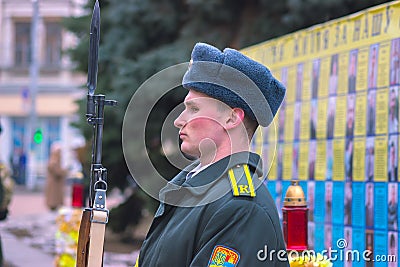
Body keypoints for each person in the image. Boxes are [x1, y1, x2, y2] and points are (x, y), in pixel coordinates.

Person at [136, 43, 288, 266]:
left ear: (231, 118)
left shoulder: (239, 207)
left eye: (194, 109)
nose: (179, 120)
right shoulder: (191, 187)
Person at [45, 142, 68, 211]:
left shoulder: (55, 159)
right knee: (54, 201)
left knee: (55, 202)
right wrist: (64, 172)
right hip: (54, 184)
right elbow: (56, 171)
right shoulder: (54, 160)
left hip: (55, 184)